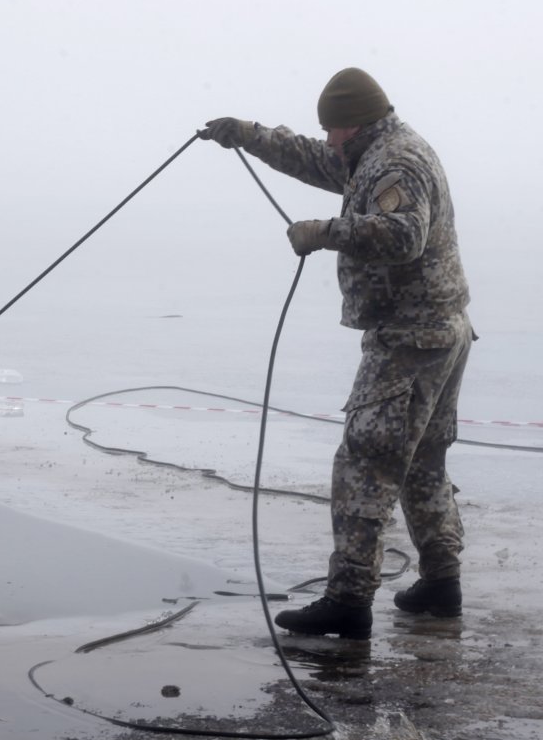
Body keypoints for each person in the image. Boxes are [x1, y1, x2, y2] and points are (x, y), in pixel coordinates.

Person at [200, 68, 473, 640]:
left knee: (365, 463)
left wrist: (326, 230)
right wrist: (247, 133)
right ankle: (440, 584)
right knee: (423, 464)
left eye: (331, 130)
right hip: (440, 330)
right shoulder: (369, 153)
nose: (326, 140)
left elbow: (405, 236)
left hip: (409, 338)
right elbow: (313, 160)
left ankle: (348, 601)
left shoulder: (397, 162)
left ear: (354, 123)